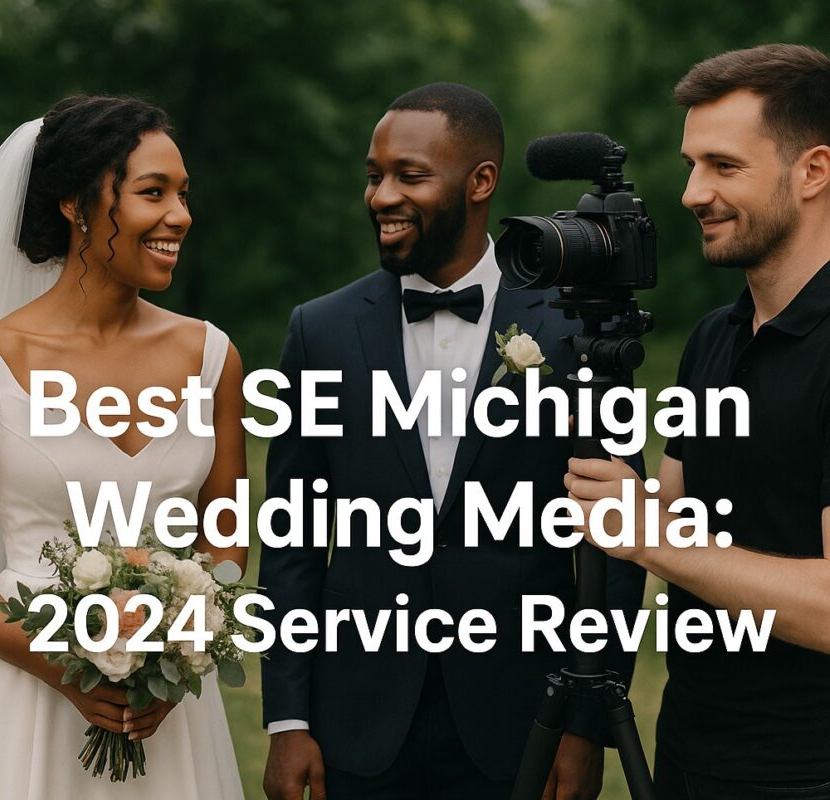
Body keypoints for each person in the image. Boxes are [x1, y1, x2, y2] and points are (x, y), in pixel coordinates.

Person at [260, 82, 644, 800]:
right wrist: (288, 718)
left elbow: (616, 546)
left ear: (481, 181)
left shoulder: (576, 331)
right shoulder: (319, 331)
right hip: (358, 717)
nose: (382, 197)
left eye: (410, 175)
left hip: (524, 718)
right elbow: (293, 539)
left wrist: (586, 725)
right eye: (374, 176)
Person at [566, 44, 830, 798]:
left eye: (724, 166)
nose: (691, 193)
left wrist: (650, 535)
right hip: (687, 751)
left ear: (813, 171)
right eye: (691, 165)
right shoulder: (717, 336)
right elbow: (677, 520)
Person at [0, 96, 247, 798]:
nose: (180, 215)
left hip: (168, 712)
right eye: (152, 192)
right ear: (75, 205)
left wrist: (180, 649)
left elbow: (224, 540)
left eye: (183, 194)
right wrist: (62, 669)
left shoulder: (213, 357)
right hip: (27, 690)